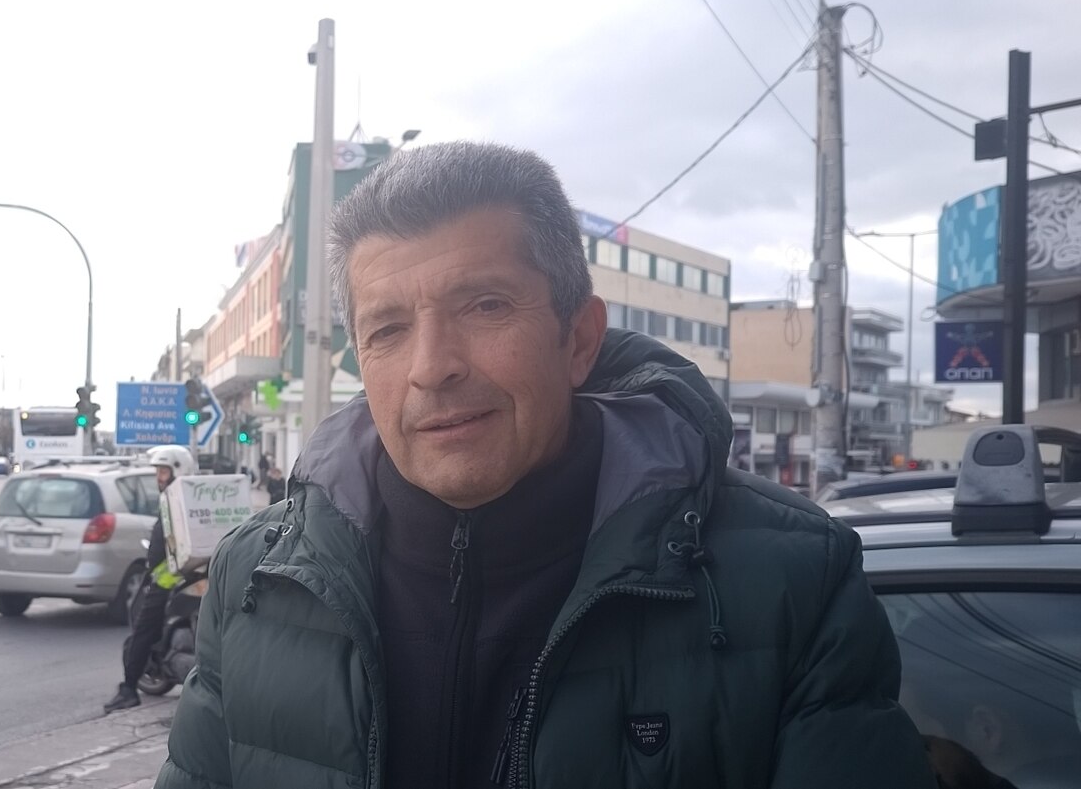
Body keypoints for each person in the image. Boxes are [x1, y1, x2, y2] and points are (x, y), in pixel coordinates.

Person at [156, 142, 935, 788]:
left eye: (485, 306)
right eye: (387, 329)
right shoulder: (256, 581)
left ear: (579, 339)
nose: (432, 366)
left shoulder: (793, 582)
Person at [103, 444, 195, 714]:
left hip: (169, 580)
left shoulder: (176, 501)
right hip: (189, 578)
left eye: (163, 472)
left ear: (178, 470)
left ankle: (128, 689)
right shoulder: (189, 499)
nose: (159, 478)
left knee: (143, 630)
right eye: (158, 472)